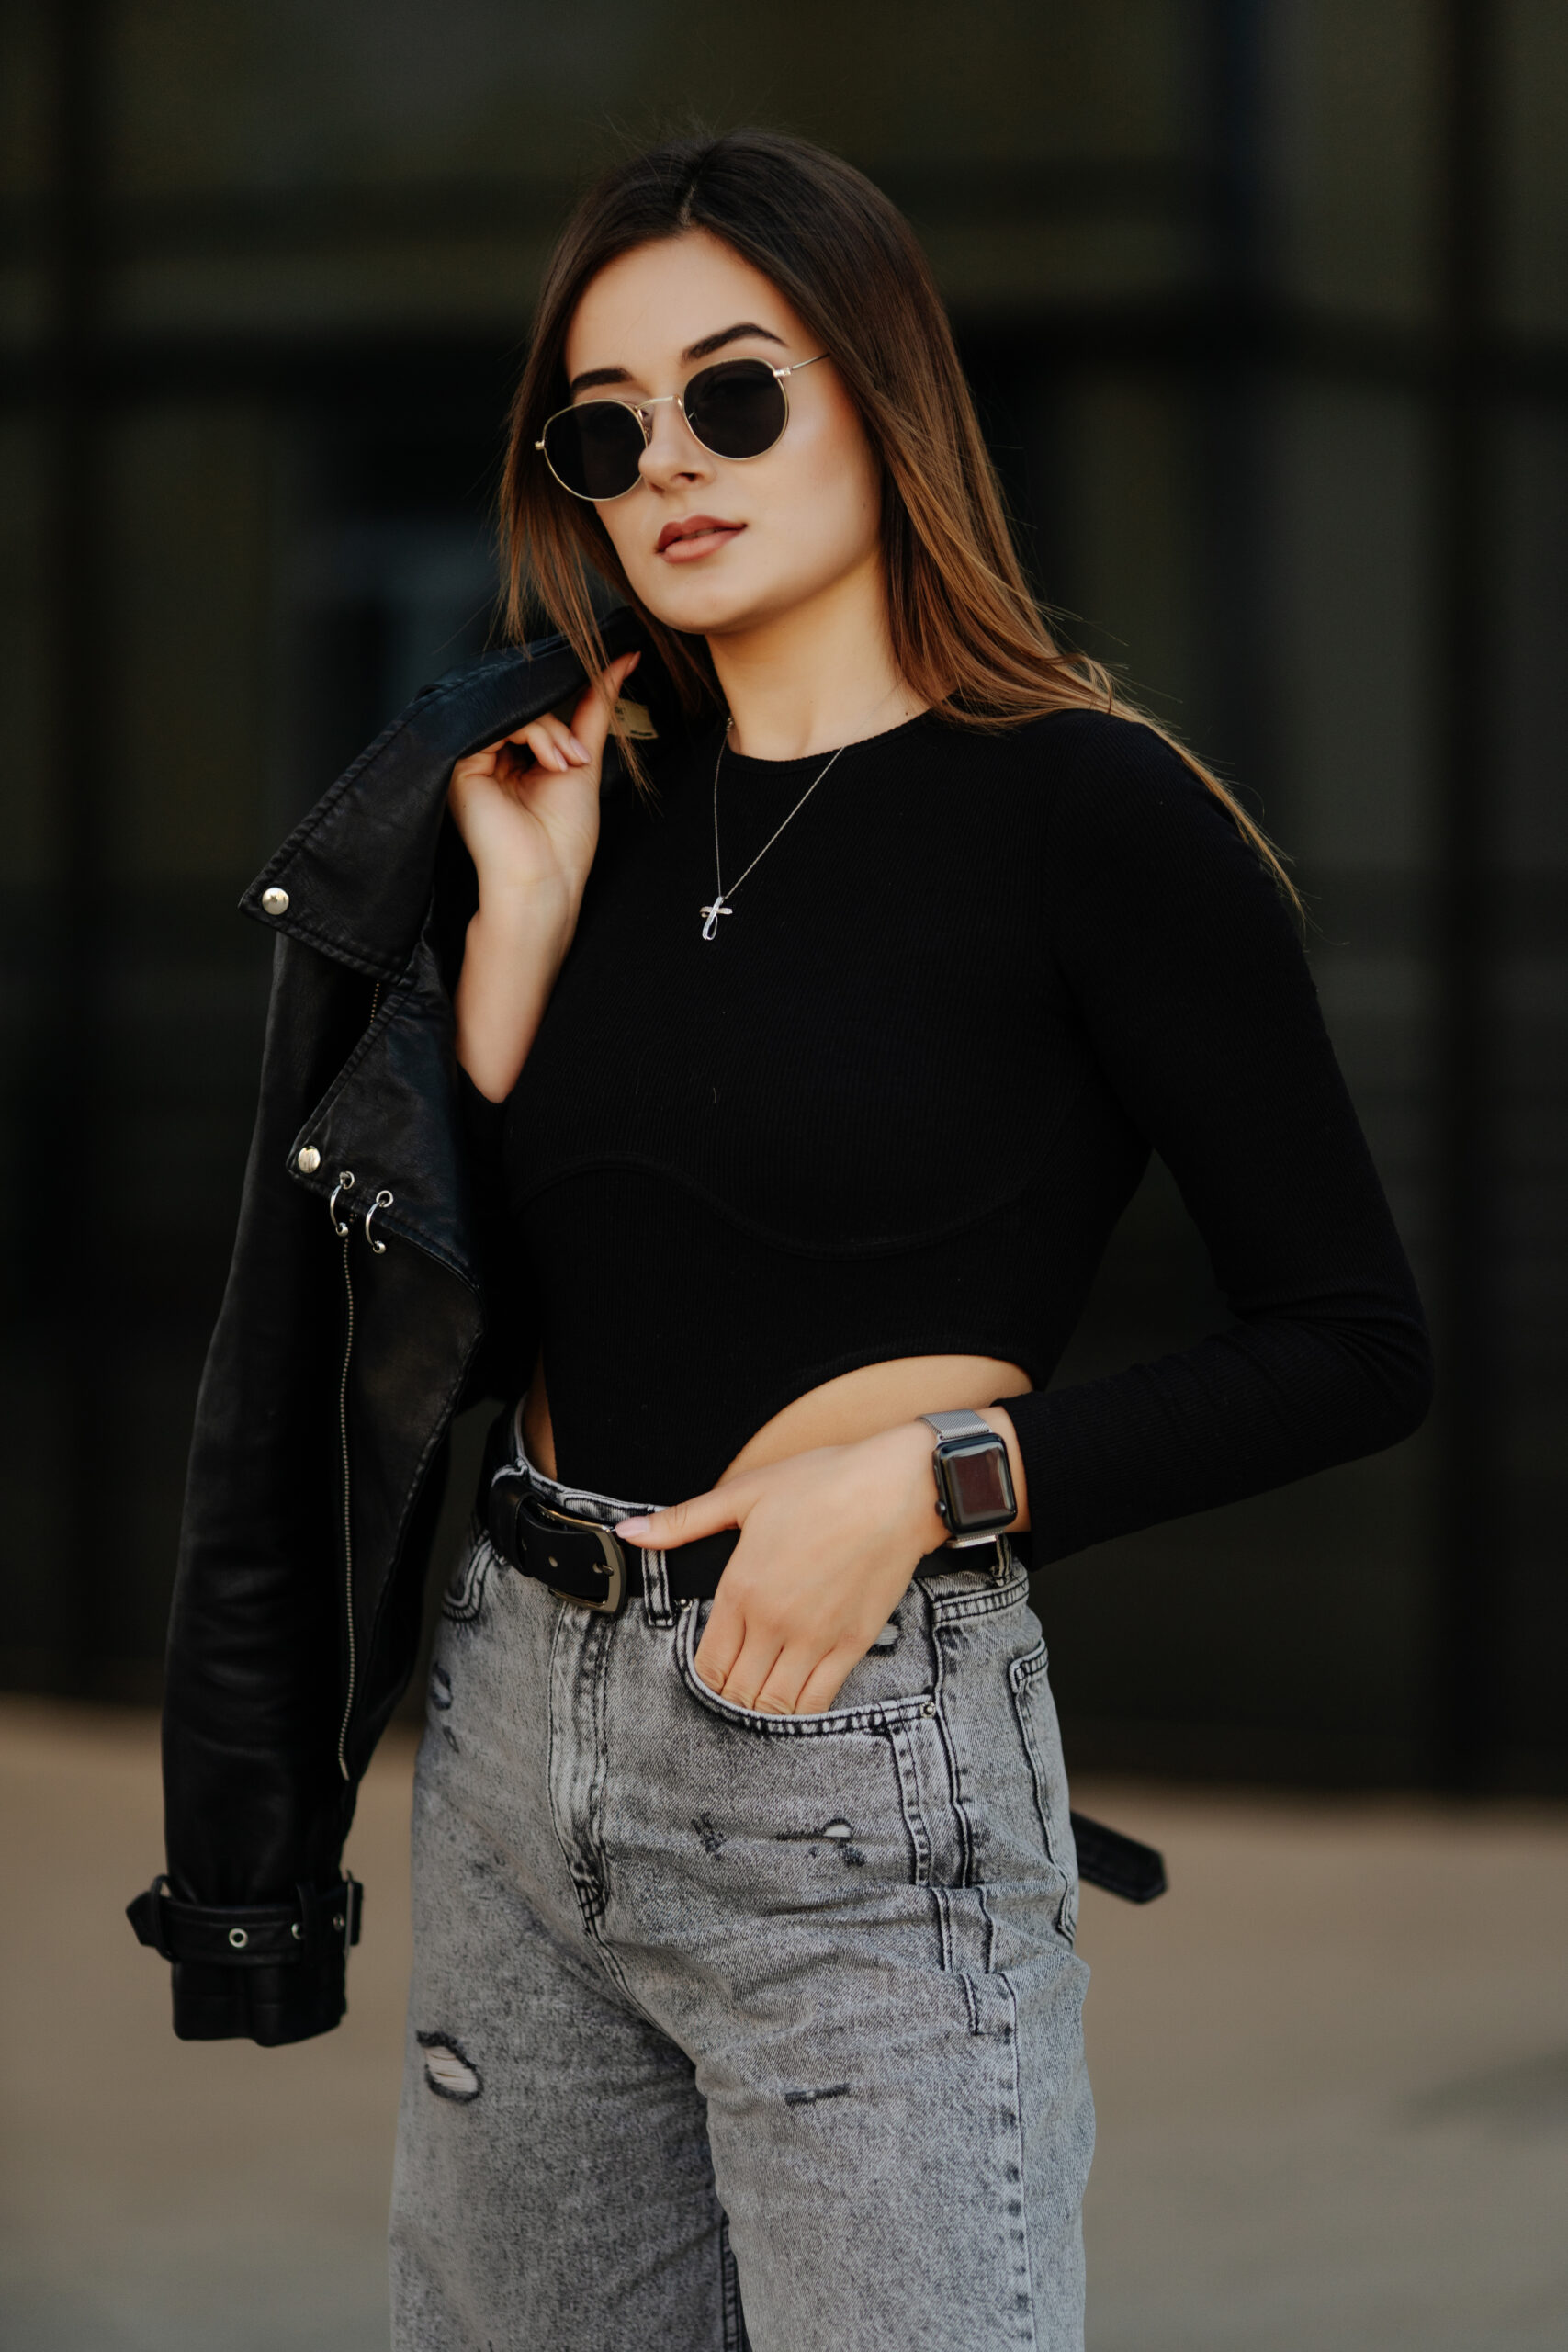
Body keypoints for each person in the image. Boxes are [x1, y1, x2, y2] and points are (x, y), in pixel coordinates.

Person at [128, 130, 1432, 2352]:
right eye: (604, 426)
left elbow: (1349, 1339)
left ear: (880, 390)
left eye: (734, 392)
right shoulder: (570, 807)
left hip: (856, 1751)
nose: (668, 465)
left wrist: (932, 1492)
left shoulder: (1093, 816)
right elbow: (504, 1314)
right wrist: (515, 955)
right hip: (522, 1725)